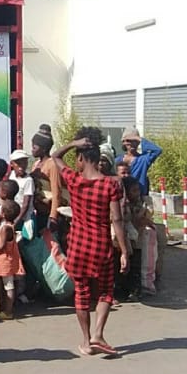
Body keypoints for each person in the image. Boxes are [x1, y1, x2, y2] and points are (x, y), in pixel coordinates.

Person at [53, 128, 130, 357]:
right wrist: (124, 250)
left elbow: (56, 156)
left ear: (79, 158)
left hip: (77, 247)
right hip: (101, 246)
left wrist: (73, 142)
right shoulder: (110, 185)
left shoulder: (73, 180)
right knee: (106, 291)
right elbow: (117, 218)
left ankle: (86, 342)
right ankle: (98, 334)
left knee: (82, 292)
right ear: (99, 160)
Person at [30, 126, 64, 240]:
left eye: (35, 146)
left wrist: (53, 216)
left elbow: (56, 192)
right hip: (37, 212)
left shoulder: (52, 165)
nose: (32, 149)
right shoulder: (35, 164)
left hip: (48, 213)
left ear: (44, 149)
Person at [118, 128, 163, 197]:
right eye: (129, 141)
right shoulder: (118, 160)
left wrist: (138, 138)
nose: (132, 143)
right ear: (124, 143)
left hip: (139, 197)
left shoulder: (143, 160)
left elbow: (157, 150)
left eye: (135, 141)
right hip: (121, 196)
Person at [9, 150, 35, 226]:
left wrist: (17, 220)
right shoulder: (12, 175)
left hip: (24, 218)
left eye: (24, 163)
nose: (22, 166)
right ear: (12, 164)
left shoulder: (28, 180)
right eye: (18, 163)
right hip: (14, 215)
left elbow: (25, 204)